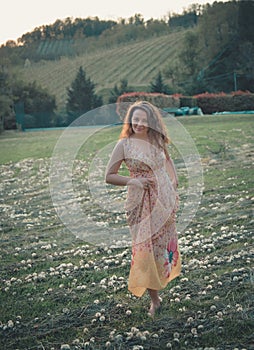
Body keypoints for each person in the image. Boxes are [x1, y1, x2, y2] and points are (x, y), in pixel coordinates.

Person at [105, 100, 181, 317]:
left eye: (144, 120)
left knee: (161, 247)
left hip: (163, 200)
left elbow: (167, 159)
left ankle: (161, 282)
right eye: (135, 119)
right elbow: (109, 176)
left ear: (151, 122)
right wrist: (133, 181)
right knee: (145, 250)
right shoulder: (123, 145)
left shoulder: (156, 138)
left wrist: (173, 180)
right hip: (139, 203)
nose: (139, 123)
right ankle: (154, 300)